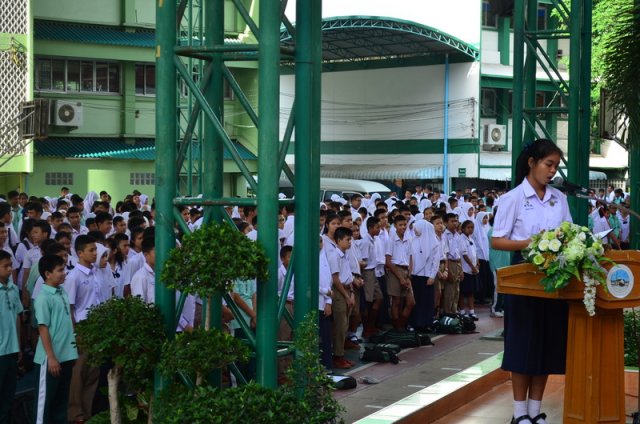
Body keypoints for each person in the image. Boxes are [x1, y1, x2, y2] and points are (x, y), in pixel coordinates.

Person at [492, 139, 572, 424]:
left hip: (554, 280)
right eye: (548, 164)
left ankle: (535, 412)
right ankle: (519, 414)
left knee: (546, 345)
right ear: (532, 162)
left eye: (555, 166)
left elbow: (567, 233)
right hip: (522, 278)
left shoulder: (558, 199)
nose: (552, 171)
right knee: (523, 345)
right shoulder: (512, 199)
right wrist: (533, 243)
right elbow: (497, 240)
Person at [33, 254, 78, 424]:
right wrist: (51, 357)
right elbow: (43, 328)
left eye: (64, 269)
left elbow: (68, 322)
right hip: (50, 359)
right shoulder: (43, 297)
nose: (64, 273)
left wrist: (72, 349)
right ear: (47, 274)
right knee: (44, 406)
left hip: (66, 356)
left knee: (61, 403)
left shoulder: (61, 292)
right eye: (60, 270)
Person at [0, 250, 21, 424]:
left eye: (10, 265)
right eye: (5, 266)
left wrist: (19, 345)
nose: (9, 269)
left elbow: (18, 317)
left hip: (12, 350)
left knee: (8, 394)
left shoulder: (13, 289)